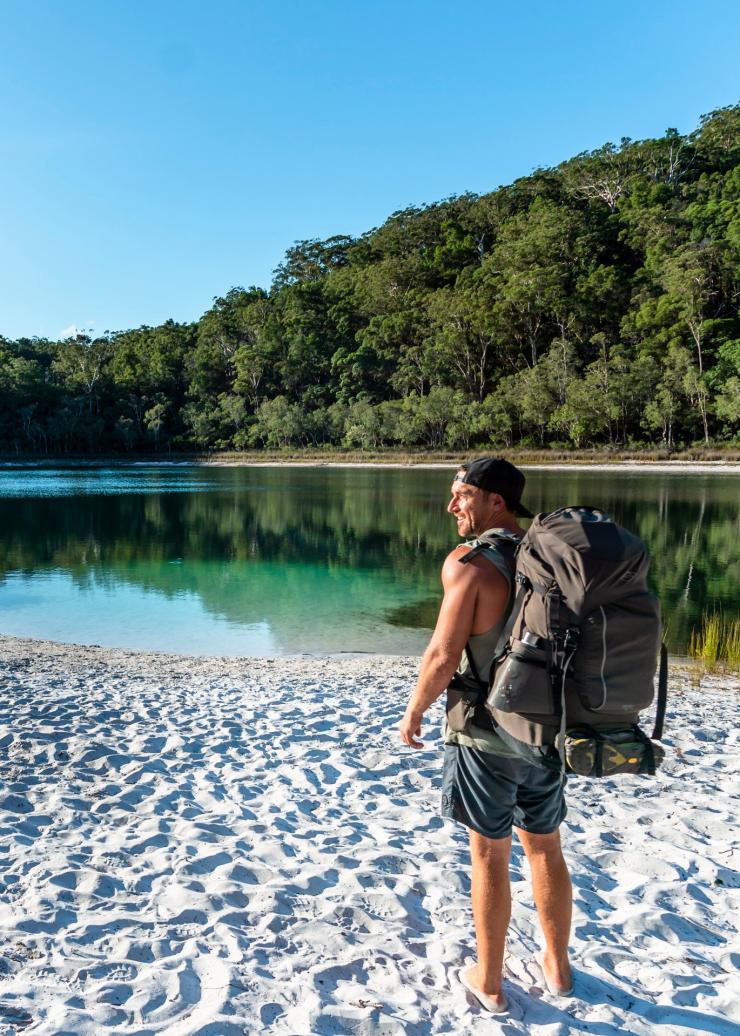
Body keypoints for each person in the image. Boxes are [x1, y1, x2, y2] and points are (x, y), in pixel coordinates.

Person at [399, 457, 573, 1014]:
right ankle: (558, 968)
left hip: (486, 733)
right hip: (549, 731)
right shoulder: (554, 560)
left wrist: (415, 711)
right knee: (545, 847)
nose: (452, 507)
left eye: (463, 496)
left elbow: (444, 654)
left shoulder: (470, 565)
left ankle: (491, 982)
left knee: (489, 856)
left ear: (496, 500)